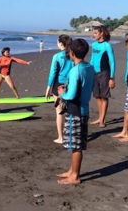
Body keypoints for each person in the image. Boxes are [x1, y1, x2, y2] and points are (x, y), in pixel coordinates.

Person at [56, 39, 95, 185]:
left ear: (71, 53)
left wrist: (62, 93)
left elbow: (71, 95)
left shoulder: (75, 70)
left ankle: (75, 176)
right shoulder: (89, 67)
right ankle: (72, 171)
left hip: (76, 110)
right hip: (83, 108)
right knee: (75, 144)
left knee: (76, 146)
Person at [45, 35, 74, 144]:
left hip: (58, 85)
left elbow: (53, 72)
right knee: (70, 110)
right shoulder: (72, 54)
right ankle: (71, 135)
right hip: (71, 84)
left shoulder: (57, 56)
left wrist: (48, 86)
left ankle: (61, 137)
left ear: (60, 43)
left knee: (59, 112)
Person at [89, 26, 115, 128]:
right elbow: (92, 59)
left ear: (101, 34)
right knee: (97, 96)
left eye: (95, 33)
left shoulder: (107, 46)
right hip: (94, 73)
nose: (93, 35)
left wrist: (112, 78)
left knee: (104, 97)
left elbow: (112, 62)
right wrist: (89, 71)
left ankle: (102, 120)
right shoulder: (94, 45)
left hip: (104, 73)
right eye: (93, 33)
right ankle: (100, 117)